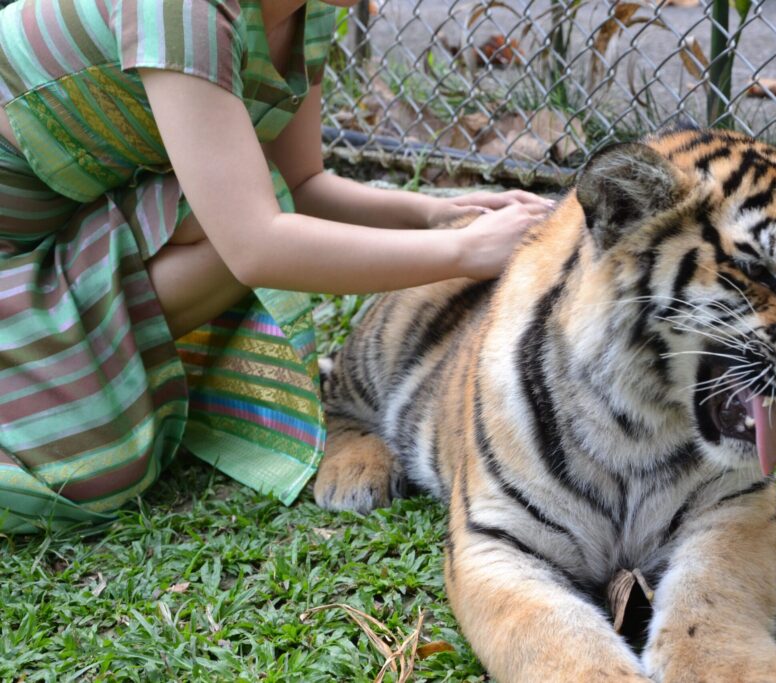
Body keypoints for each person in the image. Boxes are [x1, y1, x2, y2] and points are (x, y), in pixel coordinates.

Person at [0, 0, 551, 534]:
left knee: (236, 198)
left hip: (60, 235)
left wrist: (441, 213)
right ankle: (67, 370)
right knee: (83, 473)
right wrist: (463, 251)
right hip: (17, 252)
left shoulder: (304, 11)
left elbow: (303, 186)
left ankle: (78, 361)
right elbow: (255, 245)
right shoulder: (181, 10)